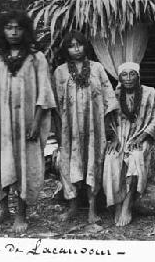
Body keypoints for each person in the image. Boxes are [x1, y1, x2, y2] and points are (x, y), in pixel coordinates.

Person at [0, 10, 56, 233]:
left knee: (24, 165)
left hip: (26, 123)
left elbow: (44, 94)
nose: (14, 32)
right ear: (3, 30)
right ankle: (3, 210)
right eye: (9, 27)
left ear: (25, 30)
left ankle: (21, 213)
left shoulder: (36, 58)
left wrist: (36, 123)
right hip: (0, 124)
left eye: (18, 27)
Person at [53, 31, 118, 223]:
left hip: (94, 127)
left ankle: (92, 209)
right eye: (71, 46)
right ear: (66, 49)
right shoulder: (60, 72)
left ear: (85, 46)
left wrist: (107, 128)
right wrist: (58, 134)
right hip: (70, 129)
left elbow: (109, 97)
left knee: (93, 162)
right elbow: (56, 106)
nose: (76, 49)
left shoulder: (97, 68)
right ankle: (73, 206)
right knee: (70, 164)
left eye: (79, 44)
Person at [102, 62, 155, 226]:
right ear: (119, 78)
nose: (128, 78)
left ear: (138, 76)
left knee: (136, 156)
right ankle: (117, 203)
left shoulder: (150, 93)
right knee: (111, 158)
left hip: (141, 136)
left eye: (132, 74)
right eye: (124, 75)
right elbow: (110, 120)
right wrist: (113, 138)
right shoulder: (115, 94)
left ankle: (127, 204)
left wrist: (141, 138)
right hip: (121, 136)